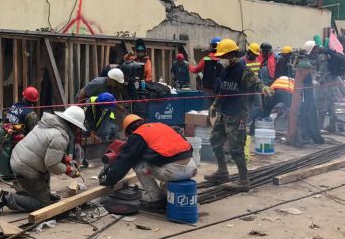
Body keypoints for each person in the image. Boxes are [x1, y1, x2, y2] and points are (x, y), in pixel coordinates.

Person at [203, 39, 271, 192]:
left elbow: (256, 81)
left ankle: (243, 180)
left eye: (223, 56)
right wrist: (215, 104)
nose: (221, 59)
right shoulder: (224, 70)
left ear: (232, 55)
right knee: (215, 140)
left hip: (237, 114)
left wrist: (264, 87)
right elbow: (222, 90)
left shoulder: (242, 70)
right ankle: (222, 172)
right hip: (224, 111)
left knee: (236, 148)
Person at [0, 106, 86, 214]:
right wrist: (68, 170)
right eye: (77, 127)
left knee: (44, 176)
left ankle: (29, 191)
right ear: (73, 125)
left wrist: (64, 158)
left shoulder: (49, 124)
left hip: (19, 159)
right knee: (43, 204)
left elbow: (45, 147)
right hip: (25, 168)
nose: (77, 130)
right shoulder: (60, 137)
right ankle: (6, 198)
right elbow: (52, 165)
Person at [99, 115, 197, 212]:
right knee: (164, 160)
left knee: (138, 163)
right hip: (191, 168)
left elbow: (124, 162)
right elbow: (186, 147)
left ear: (130, 131)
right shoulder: (161, 126)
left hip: (174, 172)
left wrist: (110, 179)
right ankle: (168, 194)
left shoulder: (138, 135)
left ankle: (155, 199)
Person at [189, 37, 223, 103]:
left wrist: (190, 67)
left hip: (207, 89)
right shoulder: (224, 60)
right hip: (220, 91)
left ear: (211, 46)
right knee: (219, 110)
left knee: (207, 111)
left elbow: (195, 70)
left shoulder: (205, 59)